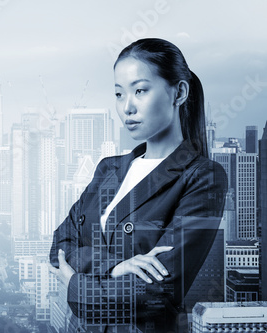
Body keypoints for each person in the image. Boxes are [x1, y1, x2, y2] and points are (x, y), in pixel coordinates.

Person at [49, 38, 228, 333]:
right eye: (119, 94)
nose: (126, 107)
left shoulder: (202, 177)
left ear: (179, 93)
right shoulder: (109, 169)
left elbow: (156, 292)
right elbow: (59, 245)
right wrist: (114, 268)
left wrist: (75, 286)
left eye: (140, 90)